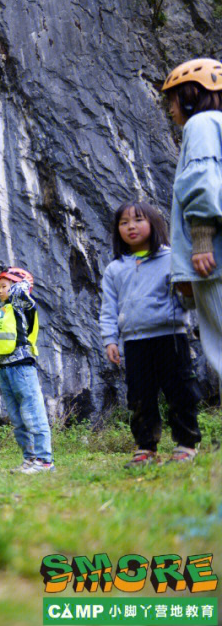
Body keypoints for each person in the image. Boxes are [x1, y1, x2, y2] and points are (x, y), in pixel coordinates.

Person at [100, 202, 199, 466]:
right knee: (139, 397)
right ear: (117, 229)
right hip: (134, 341)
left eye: (138, 220)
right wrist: (110, 338)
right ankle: (146, 448)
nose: (131, 227)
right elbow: (108, 308)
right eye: (124, 222)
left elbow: (189, 301)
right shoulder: (115, 269)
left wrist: (189, 290)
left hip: (171, 336)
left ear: (154, 224)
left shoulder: (172, 258)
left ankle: (186, 445)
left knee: (180, 391)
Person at [163, 58, 222, 382]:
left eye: (172, 99)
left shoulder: (201, 125)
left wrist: (200, 240)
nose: (171, 109)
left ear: (189, 95)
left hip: (214, 258)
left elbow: (202, 180)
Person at [0, 266, 55, 474]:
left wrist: (14, 281)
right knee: (18, 419)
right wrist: (2, 289)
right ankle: (30, 460)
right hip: (3, 368)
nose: (0, 291)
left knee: (33, 414)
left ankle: (44, 461)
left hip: (22, 367)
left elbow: (22, 290)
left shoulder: (22, 305)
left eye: (4, 287)